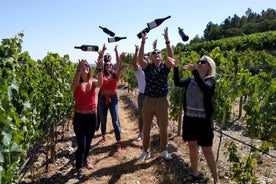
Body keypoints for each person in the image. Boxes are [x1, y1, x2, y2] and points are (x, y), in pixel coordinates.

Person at [170, 55, 219, 183]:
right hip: (190, 119)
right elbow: (177, 83)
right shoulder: (191, 79)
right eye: (199, 61)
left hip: (203, 122)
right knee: (192, 146)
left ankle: (216, 179)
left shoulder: (211, 80)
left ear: (209, 66)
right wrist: (175, 68)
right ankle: (194, 173)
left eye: (204, 62)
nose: (200, 63)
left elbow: (205, 89)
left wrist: (194, 72)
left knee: (207, 150)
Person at [137, 27, 174, 160]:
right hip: (148, 100)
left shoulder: (165, 67)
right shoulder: (148, 68)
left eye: (159, 52)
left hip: (162, 101)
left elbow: (171, 57)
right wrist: (142, 43)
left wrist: (167, 40)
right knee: (146, 128)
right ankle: (145, 151)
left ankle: (164, 150)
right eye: (154, 53)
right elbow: (140, 59)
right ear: (151, 57)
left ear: (161, 56)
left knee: (163, 128)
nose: (157, 54)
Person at [70, 45, 105, 179]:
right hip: (79, 117)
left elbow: (101, 83)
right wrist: (78, 69)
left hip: (92, 117)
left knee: (89, 142)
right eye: (83, 65)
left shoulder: (93, 81)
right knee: (81, 144)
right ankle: (79, 168)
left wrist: (100, 65)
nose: (85, 67)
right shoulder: (76, 84)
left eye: (87, 66)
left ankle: (84, 161)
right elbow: (73, 85)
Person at [97, 45, 126, 152]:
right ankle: (103, 136)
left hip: (113, 99)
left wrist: (120, 57)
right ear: (104, 67)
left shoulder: (115, 75)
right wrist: (102, 52)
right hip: (103, 98)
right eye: (107, 65)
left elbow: (119, 66)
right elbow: (99, 63)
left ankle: (118, 142)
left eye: (110, 65)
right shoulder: (101, 75)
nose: (109, 66)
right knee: (103, 120)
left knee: (115, 121)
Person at [132, 45, 146, 141]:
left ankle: (147, 134)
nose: (145, 60)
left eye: (147, 59)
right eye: (144, 59)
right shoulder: (139, 69)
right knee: (142, 115)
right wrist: (136, 52)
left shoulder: (151, 70)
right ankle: (140, 133)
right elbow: (133, 63)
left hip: (151, 96)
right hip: (142, 95)